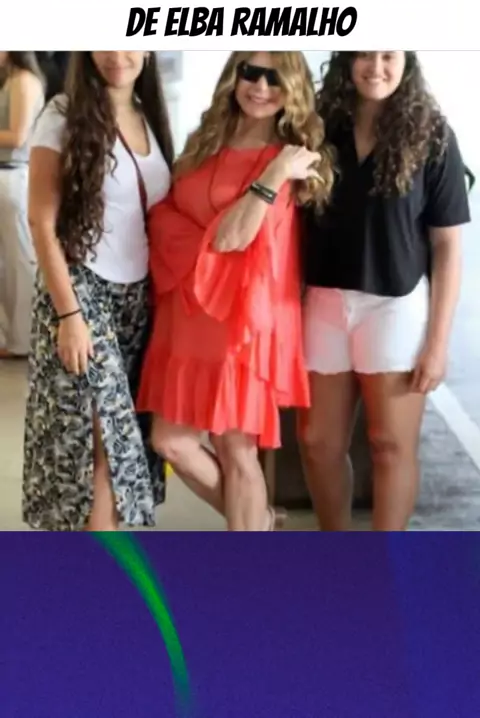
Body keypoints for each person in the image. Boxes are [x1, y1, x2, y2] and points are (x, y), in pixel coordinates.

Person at [137, 51, 334, 531]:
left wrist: (271, 176)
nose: (260, 87)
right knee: (170, 441)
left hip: (240, 320)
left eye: (274, 77)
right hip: (187, 312)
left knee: (236, 449)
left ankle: (248, 552)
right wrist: (200, 236)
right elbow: (162, 218)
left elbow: (233, 237)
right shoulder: (205, 140)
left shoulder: (289, 159)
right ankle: (257, 522)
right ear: (235, 75)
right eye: (251, 72)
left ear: (292, 87)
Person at [300, 51, 471, 531]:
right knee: (317, 442)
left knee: (390, 445)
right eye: (365, 54)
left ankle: (383, 560)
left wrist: (437, 344)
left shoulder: (432, 135)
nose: (376, 66)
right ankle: (339, 555)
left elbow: (447, 245)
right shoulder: (319, 127)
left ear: (406, 61)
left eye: (388, 55)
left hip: (395, 306)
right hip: (324, 301)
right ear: (347, 60)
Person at [22, 51, 173, 532]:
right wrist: (69, 316)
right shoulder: (62, 114)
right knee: (105, 435)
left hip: (137, 297)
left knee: (123, 441)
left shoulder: (149, 116)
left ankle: (96, 553)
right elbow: (41, 222)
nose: (116, 55)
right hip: (81, 285)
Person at [0, 51, 44, 357]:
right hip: (5, 178)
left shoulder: (23, 81)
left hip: (13, 177)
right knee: (6, 265)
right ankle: (9, 338)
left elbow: (17, 136)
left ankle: (24, 340)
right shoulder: (7, 81)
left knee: (19, 262)